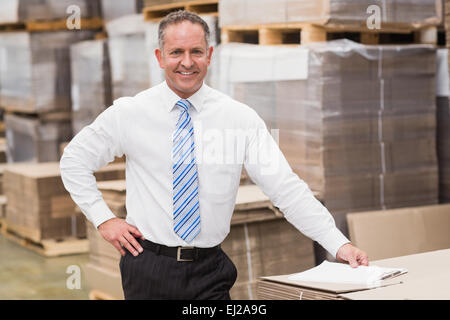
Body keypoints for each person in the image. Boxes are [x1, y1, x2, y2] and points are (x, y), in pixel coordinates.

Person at [60, 10, 368, 300]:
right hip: (148, 266)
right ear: (159, 57)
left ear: (209, 55)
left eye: (196, 51)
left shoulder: (239, 118)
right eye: (176, 52)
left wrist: (337, 243)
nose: (186, 62)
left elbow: (285, 188)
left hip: (211, 270)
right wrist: (104, 219)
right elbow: (74, 160)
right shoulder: (130, 113)